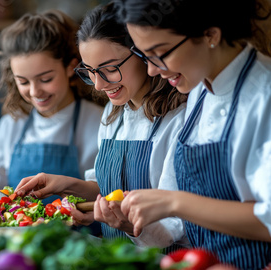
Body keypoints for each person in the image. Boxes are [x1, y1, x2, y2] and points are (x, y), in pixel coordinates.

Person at [16, 3, 189, 250]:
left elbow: (175, 224)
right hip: (115, 257)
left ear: (143, 53)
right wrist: (65, 184)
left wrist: (129, 225)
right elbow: (106, 189)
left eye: (110, 69)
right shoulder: (114, 112)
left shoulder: (178, 119)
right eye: (91, 71)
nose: (98, 85)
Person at [113, 0, 271, 268]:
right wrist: (137, 221)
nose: (152, 70)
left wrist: (175, 202)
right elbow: (178, 221)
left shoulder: (264, 96)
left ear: (210, 35)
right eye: (143, 55)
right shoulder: (198, 89)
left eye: (159, 53)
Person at [0, 10, 105, 205]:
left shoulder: (97, 121)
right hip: (19, 233)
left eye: (45, 79)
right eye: (23, 82)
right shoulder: (13, 122)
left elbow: (103, 189)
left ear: (71, 67)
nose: (35, 92)